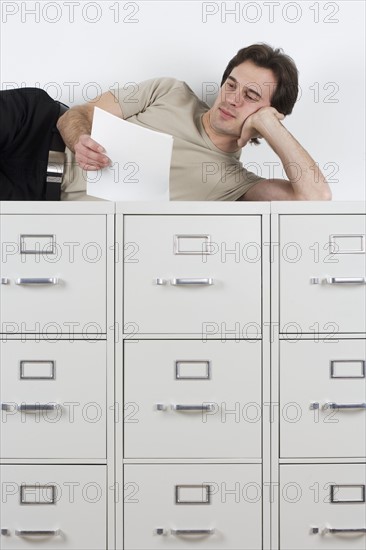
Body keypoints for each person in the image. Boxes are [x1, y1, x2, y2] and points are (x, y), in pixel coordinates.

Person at [1, 43, 332, 201]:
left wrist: (271, 126)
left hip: (35, 196)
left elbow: (315, 200)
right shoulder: (171, 92)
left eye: (251, 96)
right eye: (231, 84)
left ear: (271, 112)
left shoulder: (235, 184)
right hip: (35, 128)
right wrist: (79, 140)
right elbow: (78, 114)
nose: (233, 98)